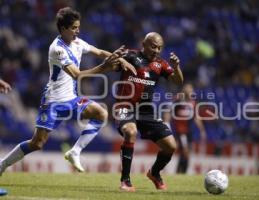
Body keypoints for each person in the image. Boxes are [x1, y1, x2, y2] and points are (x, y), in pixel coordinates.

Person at [0, 7, 136, 175]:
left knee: (101, 113)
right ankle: (3, 164)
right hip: (53, 102)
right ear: (63, 28)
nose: (77, 31)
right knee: (37, 143)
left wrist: (121, 59)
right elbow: (77, 74)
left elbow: (99, 52)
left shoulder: (78, 42)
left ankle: (75, 151)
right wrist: (104, 67)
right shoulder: (57, 49)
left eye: (78, 27)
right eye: (74, 28)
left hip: (71, 99)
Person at [114, 32, 184, 192]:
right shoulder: (130, 55)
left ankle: (154, 173)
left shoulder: (161, 64)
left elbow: (178, 82)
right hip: (125, 106)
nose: (157, 50)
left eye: (160, 47)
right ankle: (125, 181)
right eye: (153, 46)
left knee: (171, 146)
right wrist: (115, 59)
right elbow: (112, 64)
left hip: (146, 111)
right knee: (130, 131)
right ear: (143, 44)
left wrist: (176, 67)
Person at [172, 83, 207, 173]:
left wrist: (202, 130)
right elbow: (170, 111)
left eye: (191, 89)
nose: (190, 91)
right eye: (188, 89)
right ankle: (180, 172)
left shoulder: (193, 102)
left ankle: (181, 172)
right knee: (185, 151)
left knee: (187, 153)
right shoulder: (178, 100)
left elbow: (196, 117)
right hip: (180, 131)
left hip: (188, 131)